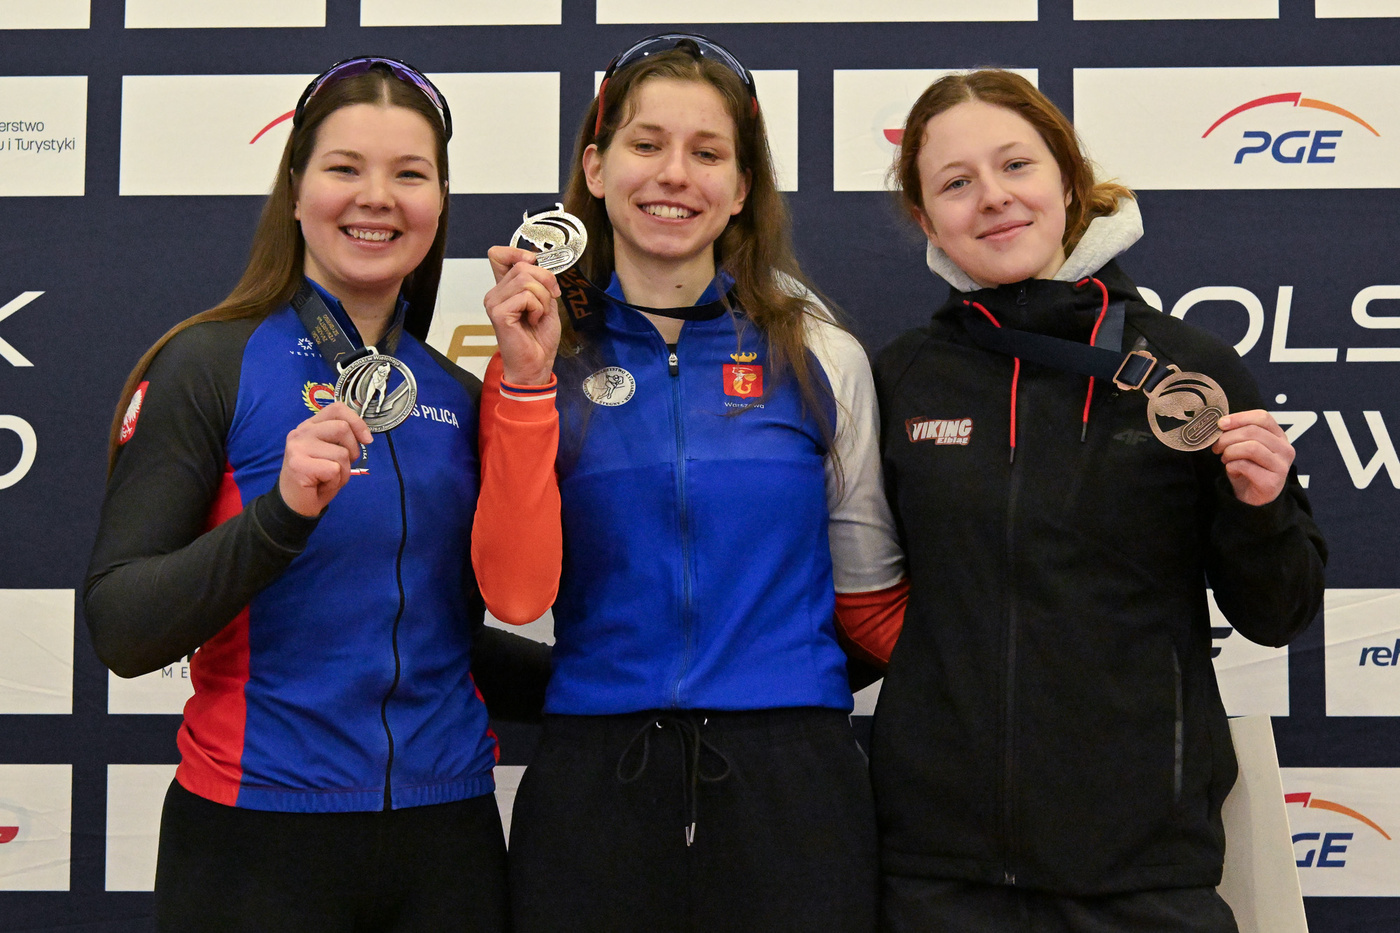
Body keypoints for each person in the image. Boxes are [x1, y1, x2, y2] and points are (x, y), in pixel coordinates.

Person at [85, 57, 544, 932]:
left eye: (409, 174)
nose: (377, 197)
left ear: (440, 203)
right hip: (255, 841)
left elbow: (439, 638)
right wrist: (283, 511)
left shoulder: (456, 393)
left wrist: (626, 687)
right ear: (295, 190)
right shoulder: (209, 364)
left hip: (446, 840)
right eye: (344, 168)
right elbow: (123, 627)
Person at [869, 69, 1327, 932]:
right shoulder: (900, 378)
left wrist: (1261, 508)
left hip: (1140, 873)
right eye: (957, 183)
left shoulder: (1190, 371)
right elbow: (853, 603)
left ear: (1069, 179)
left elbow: (1278, 610)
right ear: (929, 222)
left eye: (1017, 166)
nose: (994, 198)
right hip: (941, 871)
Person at [470, 33, 907, 933]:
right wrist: (522, 384)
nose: (674, 174)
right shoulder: (535, 356)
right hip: (596, 779)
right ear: (595, 167)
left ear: (741, 188)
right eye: (645, 144)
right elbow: (514, 595)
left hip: (795, 781)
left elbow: (869, 601)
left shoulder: (821, 354)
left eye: (707, 153)